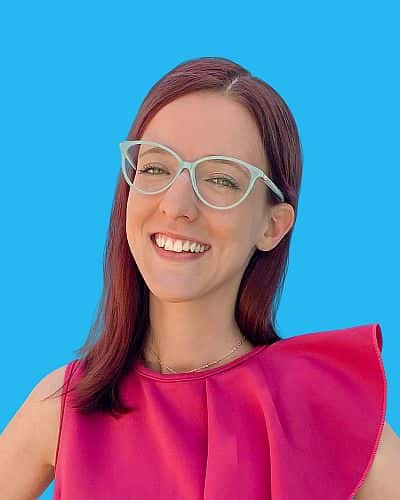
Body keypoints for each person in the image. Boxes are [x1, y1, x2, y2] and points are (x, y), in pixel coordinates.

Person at [1, 56, 399, 499]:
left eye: (221, 180)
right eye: (155, 168)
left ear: (273, 226)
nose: (176, 205)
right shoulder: (63, 407)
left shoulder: (324, 411)